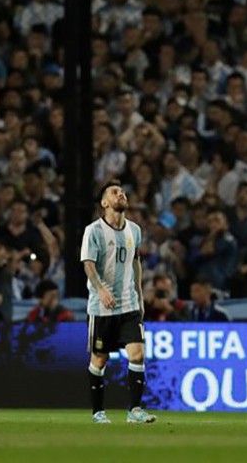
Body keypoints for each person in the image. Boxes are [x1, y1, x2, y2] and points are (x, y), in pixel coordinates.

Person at [81, 180, 156, 424]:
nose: (121, 194)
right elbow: (88, 264)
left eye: (123, 191)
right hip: (102, 307)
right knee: (99, 359)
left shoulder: (135, 230)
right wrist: (101, 290)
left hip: (129, 304)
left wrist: (139, 295)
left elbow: (135, 262)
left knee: (138, 354)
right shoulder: (93, 230)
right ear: (104, 202)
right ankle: (98, 412)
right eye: (115, 192)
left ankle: (135, 410)